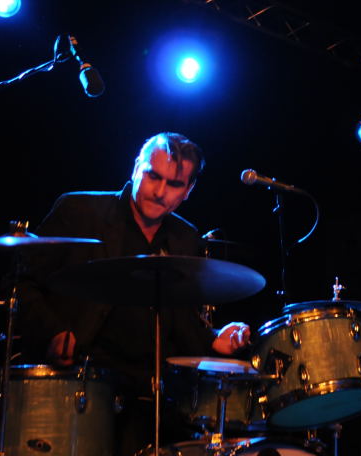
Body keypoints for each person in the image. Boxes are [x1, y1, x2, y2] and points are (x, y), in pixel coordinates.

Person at [17, 132, 252, 455]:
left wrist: (214, 339)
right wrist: (53, 334)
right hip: (74, 383)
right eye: (153, 176)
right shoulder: (80, 211)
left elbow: (182, 324)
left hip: (148, 398)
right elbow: (20, 285)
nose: (159, 191)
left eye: (174, 184)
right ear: (136, 167)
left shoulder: (185, 239)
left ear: (189, 190)